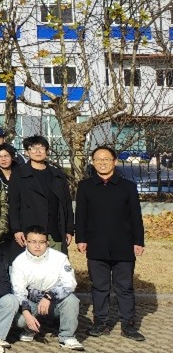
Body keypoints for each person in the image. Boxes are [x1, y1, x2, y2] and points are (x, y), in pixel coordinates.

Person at [75, 145, 145, 341]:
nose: (102, 162)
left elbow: (136, 216)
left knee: (125, 287)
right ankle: (100, 323)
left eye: (106, 159)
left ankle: (128, 325)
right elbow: (81, 215)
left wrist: (138, 241)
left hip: (124, 245)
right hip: (96, 244)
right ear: (93, 162)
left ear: (114, 161)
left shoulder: (127, 186)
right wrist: (81, 238)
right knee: (99, 286)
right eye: (98, 159)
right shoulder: (85, 186)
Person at [10, 226, 83, 350]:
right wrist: (27, 314)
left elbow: (70, 283)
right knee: (21, 320)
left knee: (72, 300)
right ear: (26, 242)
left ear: (47, 243)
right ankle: (29, 329)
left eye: (41, 242)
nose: (37, 246)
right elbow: (18, 291)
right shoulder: (18, 262)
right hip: (31, 302)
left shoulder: (60, 258)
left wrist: (49, 296)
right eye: (33, 242)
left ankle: (67, 337)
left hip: (53, 302)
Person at [8, 135, 74, 256]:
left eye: (41, 148)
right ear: (27, 152)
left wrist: (69, 229)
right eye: (33, 148)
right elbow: (14, 204)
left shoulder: (57, 175)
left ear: (47, 151)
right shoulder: (19, 175)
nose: (38, 151)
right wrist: (16, 229)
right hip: (30, 229)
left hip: (55, 230)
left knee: (56, 264)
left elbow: (67, 204)